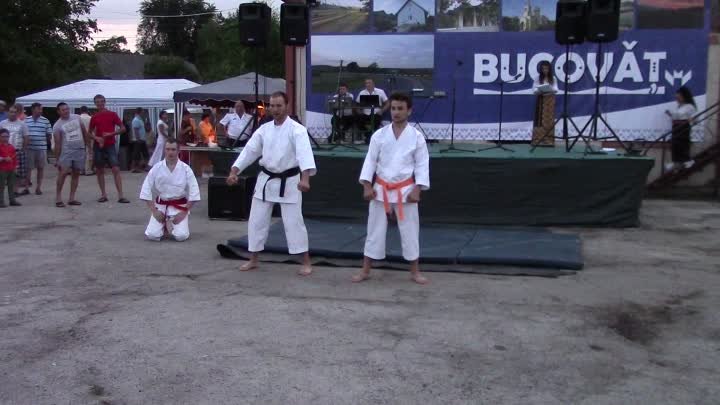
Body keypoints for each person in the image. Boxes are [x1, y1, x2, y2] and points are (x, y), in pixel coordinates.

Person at [226, 91, 317, 276]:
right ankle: (253, 259)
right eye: (272, 106)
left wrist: (305, 178)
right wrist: (234, 170)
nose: (275, 109)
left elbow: (304, 154)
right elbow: (250, 151)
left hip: (290, 180)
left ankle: (306, 261)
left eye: (279, 106)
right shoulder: (264, 129)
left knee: (294, 223)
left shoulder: (297, 130)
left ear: (287, 106)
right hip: (266, 180)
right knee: (256, 221)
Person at [353, 92, 430, 285]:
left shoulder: (417, 137)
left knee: (410, 231)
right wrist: (367, 185)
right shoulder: (379, 135)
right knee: (374, 230)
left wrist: (418, 188)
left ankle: (415, 271)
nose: (395, 112)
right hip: (381, 189)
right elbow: (370, 160)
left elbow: (422, 164)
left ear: (409, 111)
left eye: (400, 109)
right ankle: (365, 269)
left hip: (405, 190)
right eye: (393, 108)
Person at [140, 138, 200, 242]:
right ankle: (163, 226)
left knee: (181, 236)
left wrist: (184, 211)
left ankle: (172, 223)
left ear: (178, 151)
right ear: (164, 150)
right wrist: (154, 210)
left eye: (173, 149)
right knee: (152, 235)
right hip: (160, 205)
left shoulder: (186, 169)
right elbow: (146, 188)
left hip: (180, 205)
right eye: (167, 149)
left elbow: (194, 191)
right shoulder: (157, 167)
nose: (170, 152)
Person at [88, 94, 129, 203]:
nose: (100, 104)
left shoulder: (112, 114)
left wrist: (111, 133)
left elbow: (123, 128)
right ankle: (103, 194)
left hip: (110, 144)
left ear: (105, 102)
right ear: (95, 104)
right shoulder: (94, 117)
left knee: (115, 168)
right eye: (97, 102)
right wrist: (97, 138)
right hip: (99, 145)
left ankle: (121, 195)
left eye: (101, 101)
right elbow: (89, 133)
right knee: (99, 170)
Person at [53, 102, 89, 207]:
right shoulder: (57, 125)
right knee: (63, 173)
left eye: (67, 109)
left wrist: (89, 147)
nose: (66, 111)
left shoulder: (77, 118)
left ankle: (72, 198)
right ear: (59, 112)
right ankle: (58, 197)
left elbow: (84, 132)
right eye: (63, 110)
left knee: (76, 173)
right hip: (66, 152)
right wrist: (57, 159)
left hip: (79, 150)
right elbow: (58, 143)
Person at [665, 86, 697, 171]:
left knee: (681, 143)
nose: (677, 99)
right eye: (676, 97)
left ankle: (688, 160)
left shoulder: (689, 106)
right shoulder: (680, 106)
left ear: (684, 96)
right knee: (675, 144)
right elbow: (677, 115)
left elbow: (693, 117)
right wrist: (670, 114)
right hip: (676, 126)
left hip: (683, 126)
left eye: (679, 97)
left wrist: (691, 120)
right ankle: (676, 162)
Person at [0, 105, 29, 197]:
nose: (13, 114)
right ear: (8, 112)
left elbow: (26, 137)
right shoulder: (2, 123)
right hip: (4, 151)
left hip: (17, 151)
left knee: (17, 173)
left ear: (18, 113)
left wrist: (23, 149)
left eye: (15, 112)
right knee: (3, 172)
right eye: (11, 112)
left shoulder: (22, 124)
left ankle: (15, 192)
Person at [24, 103, 52, 195]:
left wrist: (44, 143)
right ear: (32, 109)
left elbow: (49, 134)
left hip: (41, 148)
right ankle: (27, 188)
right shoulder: (25, 120)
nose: (40, 111)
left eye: (41, 109)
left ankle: (38, 188)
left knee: (40, 168)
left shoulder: (45, 120)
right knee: (28, 168)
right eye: (38, 109)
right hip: (29, 148)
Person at [531, 61, 559, 146]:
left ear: (549, 69)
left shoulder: (553, 78)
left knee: (549, 120)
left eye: (546, 68)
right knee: (539, 120)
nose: (545, 70)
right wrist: (539, 89)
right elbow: (534, 90)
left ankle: (549, 140)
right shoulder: (537, 78)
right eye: (543, 68)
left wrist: (550, 88)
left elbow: (556, 89)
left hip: (549, 101)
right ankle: (538, 140)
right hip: (540, 99)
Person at [0, 128, 21, 207]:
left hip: (11, 169)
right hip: (1, 169)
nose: (5, 138)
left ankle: (12, 200)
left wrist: (16, 168)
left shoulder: (11, 147)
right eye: (3, 136)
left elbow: (15, 159)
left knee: (11, 185)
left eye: (7, 136)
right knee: (1, 186)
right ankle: (1, 202)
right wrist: (3, 158)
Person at [131, 108, 149, 173]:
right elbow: (136, 130)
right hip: (138, 140)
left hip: (142, 139)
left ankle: (145, 166)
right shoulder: (136, 120)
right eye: (142, 112)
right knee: (136, 154)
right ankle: (134, 168)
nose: (143, 113)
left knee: (145, 154)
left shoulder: (140, 120)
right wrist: (138, 139)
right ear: (140, 112)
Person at [79, 106, 94, 175]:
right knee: (89, 152)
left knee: (81, 153)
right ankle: (88, 170)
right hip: (89, 136)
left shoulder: (78, 118)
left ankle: (81, 170)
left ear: (80, 111)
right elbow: (94, 129)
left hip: (79, 137)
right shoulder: (91, 118)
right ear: (87, 110)